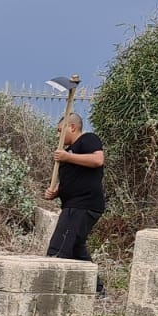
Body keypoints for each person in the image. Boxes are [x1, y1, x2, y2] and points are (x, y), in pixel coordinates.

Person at [44, 112, 106, 291]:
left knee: (58, 248)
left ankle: (49, 289)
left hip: (82, 205)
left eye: (59, 131)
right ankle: (97, 288)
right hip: (73, 205)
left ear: (72, 127)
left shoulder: (88, 139)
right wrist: (56, 192)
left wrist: (67, 157)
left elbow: (97, 159)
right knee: (77, 249)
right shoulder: (68, 152)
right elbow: (74, 179)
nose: (57, 135)